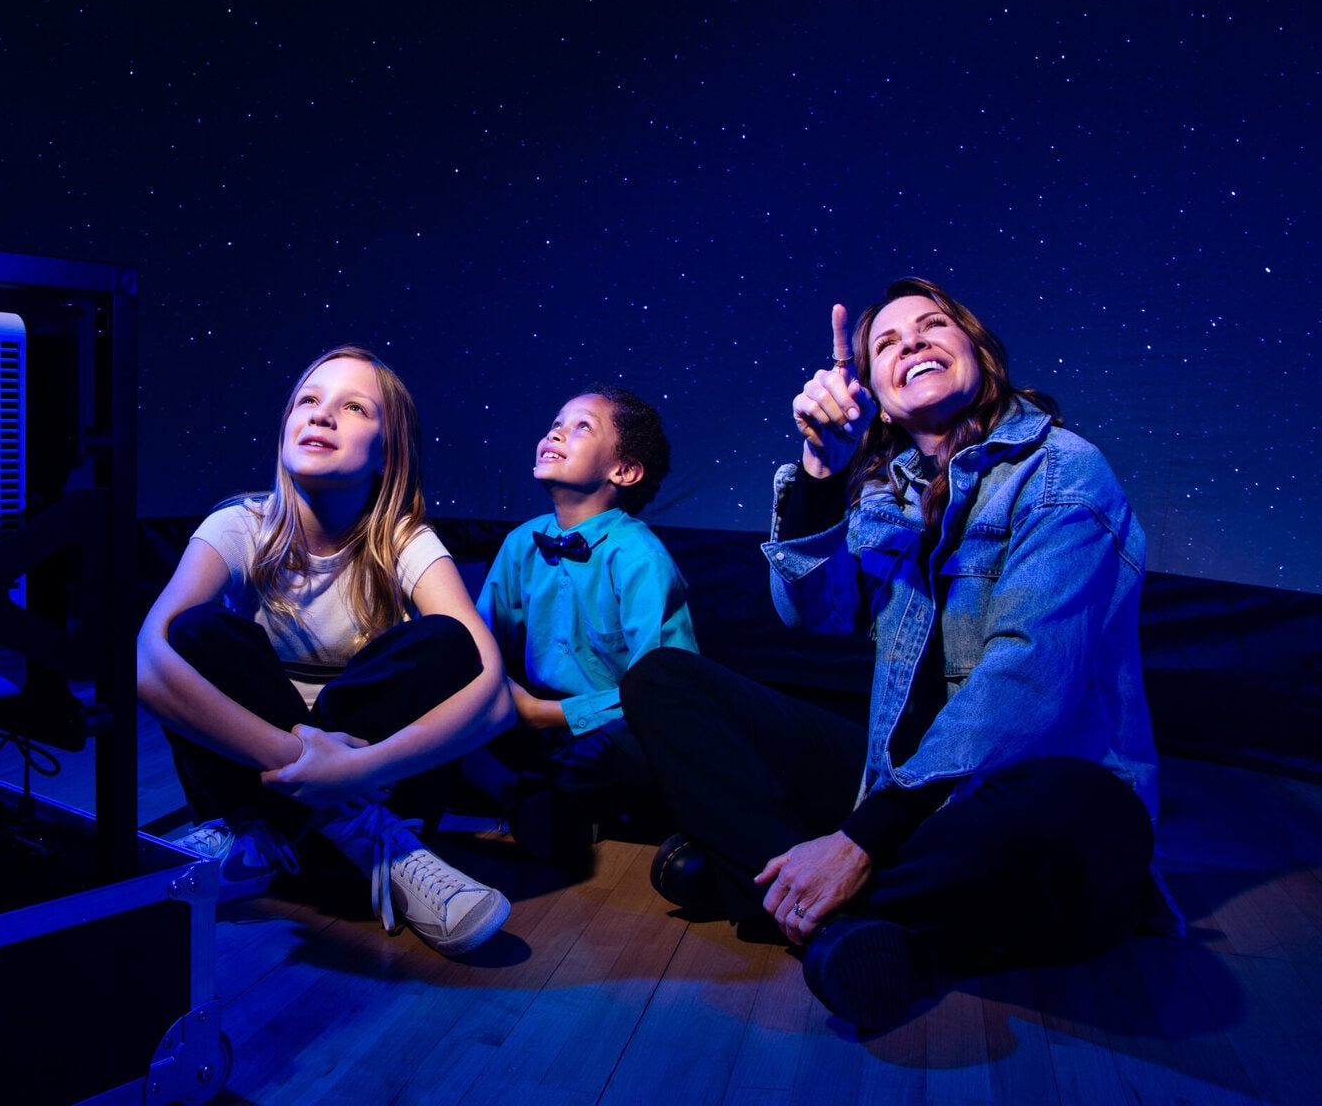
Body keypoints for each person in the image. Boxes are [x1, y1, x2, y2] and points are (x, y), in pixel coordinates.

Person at [624, 277, 1174, 1030]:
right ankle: (849, 923)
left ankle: (754, 878)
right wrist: (822, 470)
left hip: (1016, 795)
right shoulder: (885, 493)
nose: (910, 341)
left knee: (1079, 807)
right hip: (897, 788)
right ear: (876, 397)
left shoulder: (1064, 472)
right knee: (665, 681)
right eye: (886, 342)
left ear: (979, 353)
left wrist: (859, 839)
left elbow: (1029, 684)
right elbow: (811, 613)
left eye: (933, 325)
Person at [136, 345, 514, 957]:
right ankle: (297, 833)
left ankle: (358, 836)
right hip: (262, 790)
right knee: (194, 631)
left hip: (381, 793)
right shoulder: (239, 524)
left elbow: (494, 699)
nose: (322, 415)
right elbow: (145, 660)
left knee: (448, 642)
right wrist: (303, 759)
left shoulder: (405, 540)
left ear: (388, 452)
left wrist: (360, 769)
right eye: (308, 401)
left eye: (353, 406)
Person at [467, 386, 698, 864]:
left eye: (581, 426)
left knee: (609, 753)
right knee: (447, 712)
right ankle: (527, 797)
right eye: (556, 422)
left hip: (619, 721)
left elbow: (665, 691)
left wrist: (543, 715)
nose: (556, 431)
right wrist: (500, 698)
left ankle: (568, 807)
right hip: (532, 716)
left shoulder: (639, 557)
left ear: (624, 471)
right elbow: (478, 645)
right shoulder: (519, 545)